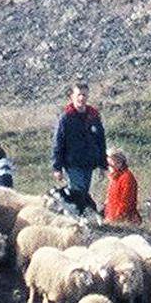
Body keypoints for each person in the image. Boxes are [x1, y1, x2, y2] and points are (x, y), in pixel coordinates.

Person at [50, 81, 107, 211]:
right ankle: (77, 219)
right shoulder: (65, 118)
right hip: (72, 163)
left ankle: (79, 216)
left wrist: (103, 165)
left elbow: (100, 141)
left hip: (89, 163)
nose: (82, 98)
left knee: (83, 193)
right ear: (72, 96)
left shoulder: (93, 117)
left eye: (84, 95)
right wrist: (57, 167)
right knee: (78, 191)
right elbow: (58, 143)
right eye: (79, 95)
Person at [103, 148, 140, 224]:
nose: (109, 167)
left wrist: (117, 218)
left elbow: (126, 202)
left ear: (119, 163)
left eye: (111, 164)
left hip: (124, 220)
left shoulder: (127, 178)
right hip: (112, 218)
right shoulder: (114, 177)